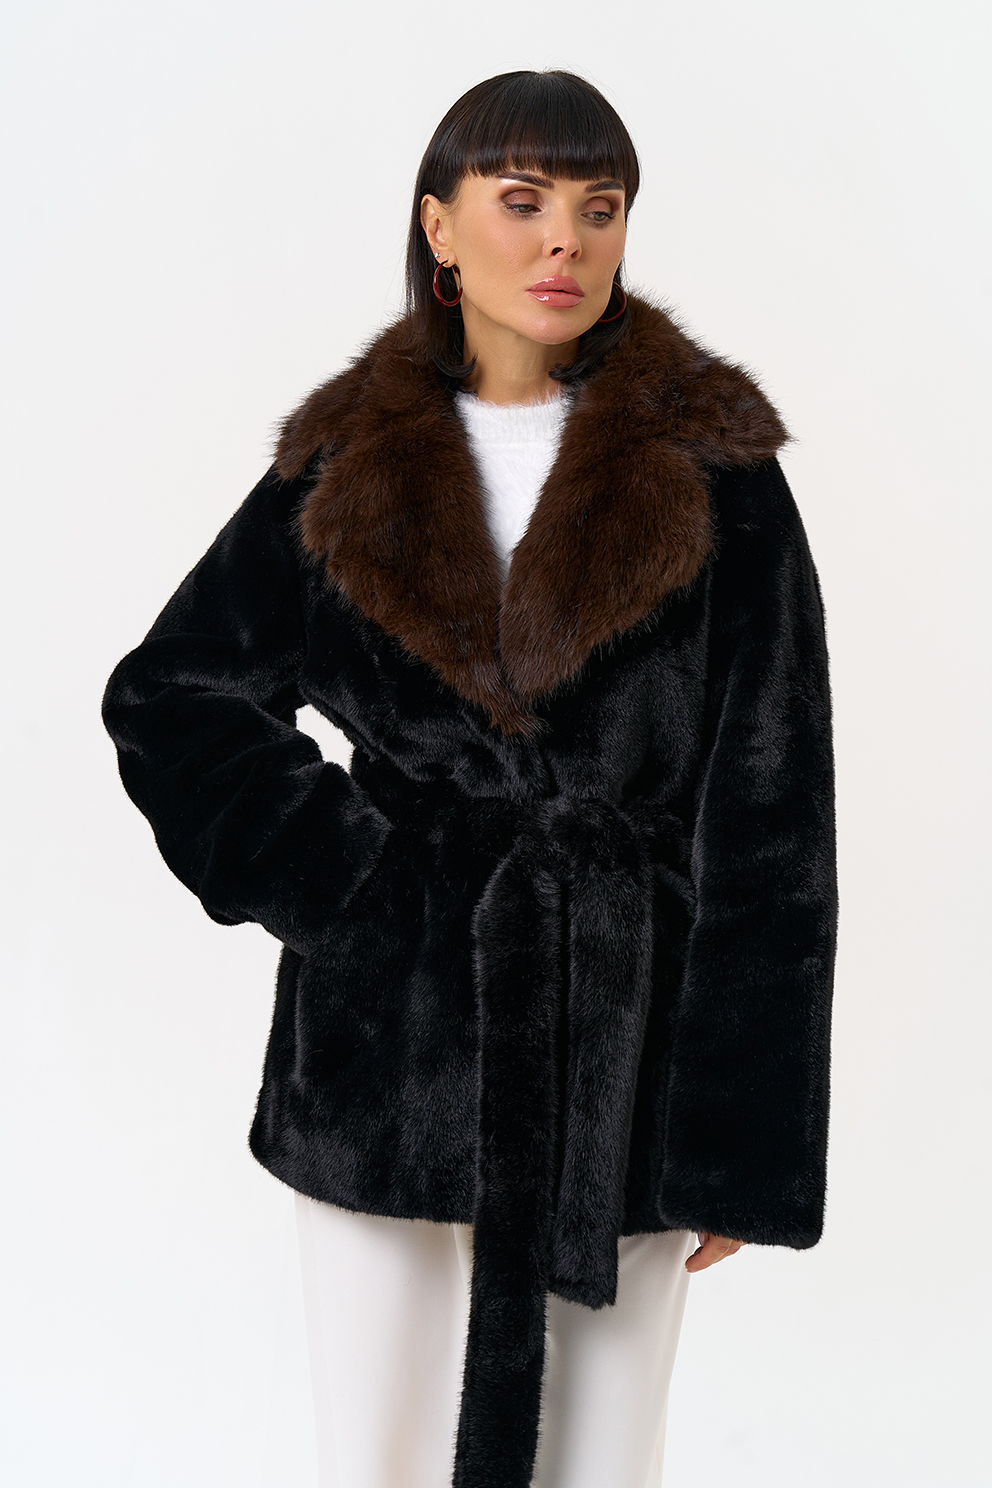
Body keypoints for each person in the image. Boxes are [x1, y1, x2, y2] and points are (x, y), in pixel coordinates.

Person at [102, 68, 837, 1488]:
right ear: (440, 227)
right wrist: (353, 885)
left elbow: (773, 810)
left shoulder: (718, 470)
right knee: (373, 1462)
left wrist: (742, 1139)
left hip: (625, 1047)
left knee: (598, 1462)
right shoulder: (341, 464)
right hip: (383, 1044)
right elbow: (173, 696)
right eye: (521, 200)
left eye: (598, 207)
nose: (563, 238)